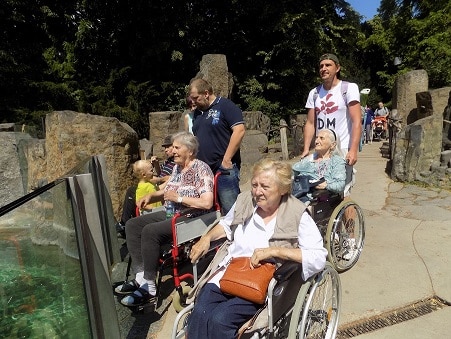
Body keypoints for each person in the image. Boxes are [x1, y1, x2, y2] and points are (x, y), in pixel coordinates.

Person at [186, 158, 327, 338]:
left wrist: (274, 251)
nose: (257, 192)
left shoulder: (297, 213)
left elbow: (317, 256)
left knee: (220, 320)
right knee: (199, 313)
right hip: (230, 272)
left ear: (283, 189)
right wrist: (207, 237)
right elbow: (227, 225)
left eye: (265, 187)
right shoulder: (245, 200)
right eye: (254, 185)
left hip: (262, 282)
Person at [114, 132, 215, 306]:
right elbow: (166, 190)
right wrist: (151, 196)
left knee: (150, 231)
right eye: (173, 147)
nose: (172, 151)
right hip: (172, 212)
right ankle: (140, 277)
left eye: (177, 147)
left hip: (190, 216)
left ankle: (150, 287)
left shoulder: (201, 169)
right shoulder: (177, 168)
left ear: (190, 151)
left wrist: (179, 199)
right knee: (132, 224)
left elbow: (207, 203)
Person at [300, 53, 361, 197]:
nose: (324, 68)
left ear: (337, 68)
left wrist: (353, 150)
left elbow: (356, 121)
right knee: (319, 189)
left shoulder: (348, 88)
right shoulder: (314, 93)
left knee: (342, 192)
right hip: (321, 149)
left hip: (341, 147)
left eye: (328, 65)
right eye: (321, 66)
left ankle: (349, 220)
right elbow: (310, 123)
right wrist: (306, 149)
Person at [189, 78, 246, 214]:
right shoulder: (197, 113)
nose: (193, 101)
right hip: (204, 171)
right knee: (208, 211)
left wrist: (226, 159)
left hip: (223, 169)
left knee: (230, 209)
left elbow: (239, 130)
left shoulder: (226, 106)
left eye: (196, 98)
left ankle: (236, 234)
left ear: (206, 93)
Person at [115, 135, 176, 237]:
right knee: (133, 191)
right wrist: (156, 165)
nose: (165, 150)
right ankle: (126, 222)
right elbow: (160, 174)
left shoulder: (176, 164)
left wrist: (159, 180)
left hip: (157, 186)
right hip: (153, 187)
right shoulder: (167, 162)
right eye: (164, 147)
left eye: (168, 147)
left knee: (132, 191)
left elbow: (167, 178)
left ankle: (125, 223)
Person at [292, 129, 346, 195]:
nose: (317, 141)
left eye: (321, 138)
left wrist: (326, 185)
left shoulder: (336, 161)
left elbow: (340, 185)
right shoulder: (309, 159)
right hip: (301, 193)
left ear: (332, 145)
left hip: (322, 197)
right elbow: (292, 173)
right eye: (316, 138)